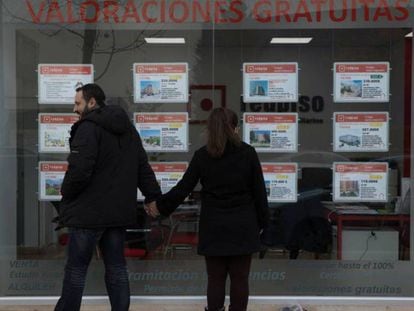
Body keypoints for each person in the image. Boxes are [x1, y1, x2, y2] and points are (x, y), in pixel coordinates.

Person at [146, 107, 269, 311]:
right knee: (240, 279)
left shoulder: (202, 156)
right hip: (243, 225)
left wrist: (159, 206)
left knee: (215, 278)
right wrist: (265, 225)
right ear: (235, 129)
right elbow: (259, 193)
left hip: (214, 226)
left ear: (210, 129)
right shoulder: (248, 153)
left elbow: (183, 188)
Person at [55, 83, 161, 311]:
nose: (74, 109)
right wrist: (153, 195)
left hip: (87, 214)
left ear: (92, 102)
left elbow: (79, 171)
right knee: (116, 268)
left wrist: (66, 195)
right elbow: (142, 165)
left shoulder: (87, 128)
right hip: (117, 214)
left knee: (76, 270)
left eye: (77, 103)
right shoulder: (129, 129)